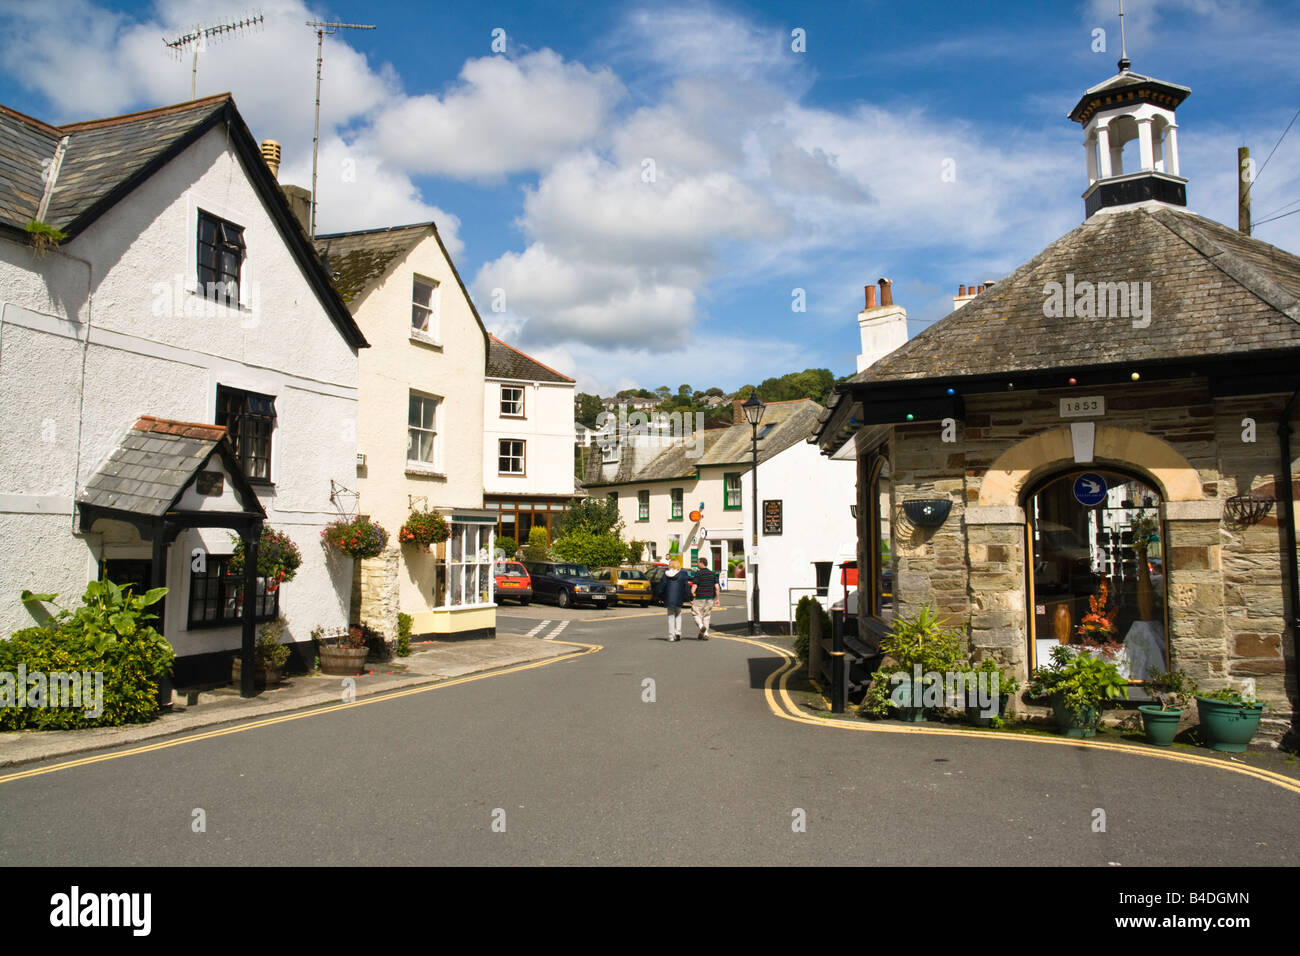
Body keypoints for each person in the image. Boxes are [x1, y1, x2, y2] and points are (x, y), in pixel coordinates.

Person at [655, 558, 692, 642]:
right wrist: (690, 598)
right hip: (679, 598)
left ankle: (671, 636)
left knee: (670, 616)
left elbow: (661, 587)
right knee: (678, 614)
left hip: (668, 598)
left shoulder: (666, 574)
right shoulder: (682, 575)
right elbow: (686, 588)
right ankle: (678, 632)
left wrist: (660, 597)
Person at [690, 557, 720, 640]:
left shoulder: (698, 574)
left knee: (696, 614)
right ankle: (705, 634)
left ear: (701, 563)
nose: (697, 564)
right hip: (710, 598)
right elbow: (717, 587)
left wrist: (691, 597)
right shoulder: (712, 573)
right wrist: (717, 599)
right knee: (706, 616)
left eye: (698, 562)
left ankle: (701, 627)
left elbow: (694, 586)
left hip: (700, 597)